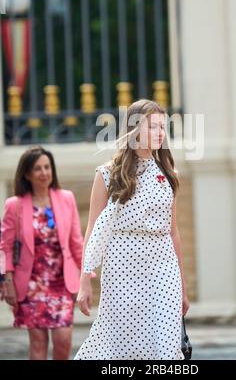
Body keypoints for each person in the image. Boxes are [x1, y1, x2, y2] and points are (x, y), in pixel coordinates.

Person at [75, 99, 190, 360]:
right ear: (135, 129)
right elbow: (93, 228)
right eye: (153, 127)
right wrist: (85, 280)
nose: (160, 133)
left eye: (163, 127)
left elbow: (173, 232)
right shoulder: (108, 174)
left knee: (166, 344)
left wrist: (182, 286)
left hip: (163, 266)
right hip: (122, 266)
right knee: (123, 343)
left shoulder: (169, 173)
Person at [0, 146, 83, 360]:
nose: (44, 173)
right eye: (38, 168)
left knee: (63, 341)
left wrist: (85, 274)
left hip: (61, 284)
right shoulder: (14, 205)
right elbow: (5, 247)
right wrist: (6, 281)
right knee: (38, 346)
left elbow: (75, 241)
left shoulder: (66, 199)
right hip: (30, 286)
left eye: (47, 167)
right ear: (27, 174)